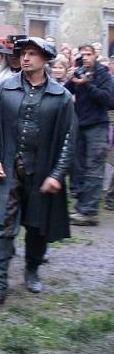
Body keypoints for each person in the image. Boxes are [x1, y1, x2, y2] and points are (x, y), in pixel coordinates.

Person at [0, 37, 76, 309]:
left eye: (32, 53)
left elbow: (69, 138)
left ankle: (32, 270)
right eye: (23, 53)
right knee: (0, 226)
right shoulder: (4, 88)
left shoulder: (62, 97)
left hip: (42, 174)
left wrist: (57, 174)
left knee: (37, 227)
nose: (25, 58)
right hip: (7, 171)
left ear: (45, 58)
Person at [65, 43, 114, 226]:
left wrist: (88, 84)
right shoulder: (79, 72)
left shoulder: (103, 75)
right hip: (81, 124)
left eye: (88, 54)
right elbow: (66, 91)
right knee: (79, 168)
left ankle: (90, 212)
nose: (85, 57)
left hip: (98, 126)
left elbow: (109, 100)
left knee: (94, 168)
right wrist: (71, 79)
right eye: (82, 54)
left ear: (95, 56)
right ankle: (81, 207)